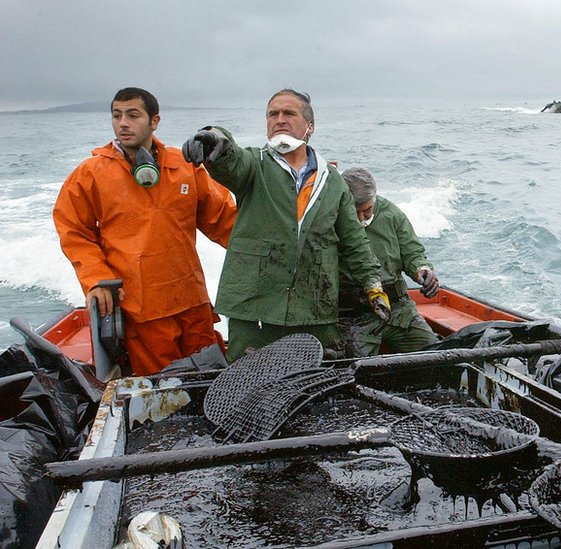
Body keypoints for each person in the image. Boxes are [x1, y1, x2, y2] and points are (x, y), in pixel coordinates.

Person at [181, 89, 389, 361]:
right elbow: (230, 159)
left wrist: (373, 285)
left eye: (289, 113)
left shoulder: (333, 181)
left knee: (314, 387)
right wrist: (213, 138)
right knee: (248, 386)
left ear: (310, 126)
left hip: (315, 308)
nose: (279, 119)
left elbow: (354, 241)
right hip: (255, 308)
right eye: (272, 114)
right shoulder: (254, 165)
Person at [53, 87, 237, 376]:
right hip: (142, 309)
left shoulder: (184, 166)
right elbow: (74, 231)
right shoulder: (91, 174)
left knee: (212, 377)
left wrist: (270, 250)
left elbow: (226, 221)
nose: (123, 123)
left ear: (154, 121)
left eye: (133, 115)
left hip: (192, 302)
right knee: (162, 391)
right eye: (117, 115)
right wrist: (96, 281)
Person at [337, 167, 440, 356]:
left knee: (434, 353)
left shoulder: (392, 214)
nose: (361, 218)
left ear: (375, 197)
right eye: (355, 212)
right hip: (353, 317)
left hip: (398, 310)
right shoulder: (331, 219)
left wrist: (421, 269)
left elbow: (412, 251)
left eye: (367, 210)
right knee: (354, 368)